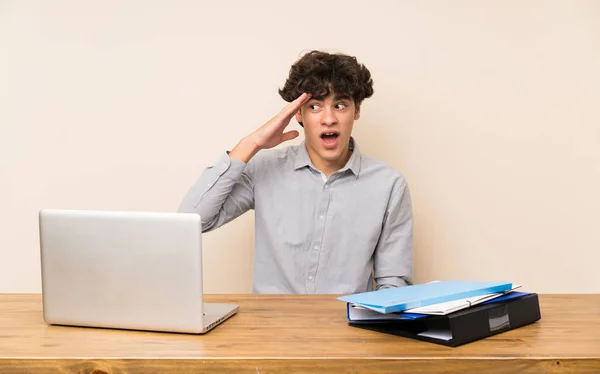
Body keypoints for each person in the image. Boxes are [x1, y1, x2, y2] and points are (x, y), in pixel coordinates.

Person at [178, 50, 413, 294]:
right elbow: (190, 221)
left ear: (357, 110)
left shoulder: (389, 185)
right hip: (271, 329)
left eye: (340, 105)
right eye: (314, 106)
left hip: (347, 327)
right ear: (298, 113)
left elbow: (393, 285)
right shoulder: (263, 169)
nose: (329, 119)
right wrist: (252, 143)